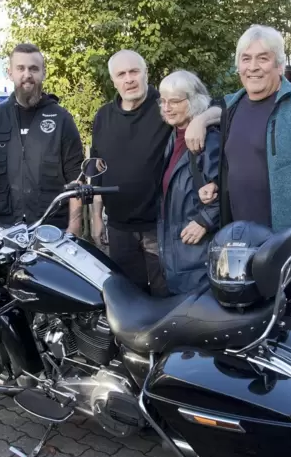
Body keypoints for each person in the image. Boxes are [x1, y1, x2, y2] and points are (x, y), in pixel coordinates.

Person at [201, 25, 291, 289]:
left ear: (280, 66)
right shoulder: (233, 107)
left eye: (263, 58)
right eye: (246, 59)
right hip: (239, 254)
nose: (253, 67)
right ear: (239, 67)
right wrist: (200, 120)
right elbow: (217, 115)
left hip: (289, 252)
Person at [89, 50, 221, 297]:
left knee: (166, 300)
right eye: (121, 74)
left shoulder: (164, 105)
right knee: (128, 301)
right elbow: (98, 168)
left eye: (134, 71)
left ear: (145, 73)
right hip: (119, 228)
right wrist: (97, 215)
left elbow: (222, 110)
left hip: (160, 228)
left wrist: (201, 121)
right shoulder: (103, 116)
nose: (129, 79)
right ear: (113, 80)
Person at [0, 43, 85, 233]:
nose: (27, 74)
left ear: (43, 73)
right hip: (2, 227)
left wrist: (74, 226)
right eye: (21, 68)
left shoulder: (61, 119)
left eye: (34, 69)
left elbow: (76, 178)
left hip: (51, 228)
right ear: (10, 73)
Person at [156, 70, 220, 295]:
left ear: (194, 101)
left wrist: (205, 220)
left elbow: (228, 187)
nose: (166, 107)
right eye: (163, 101)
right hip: (179, 254)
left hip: (198, 256)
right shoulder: (175, 136)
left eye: (174, 101)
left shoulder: (207, 138)